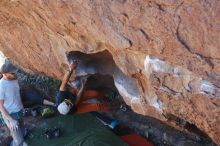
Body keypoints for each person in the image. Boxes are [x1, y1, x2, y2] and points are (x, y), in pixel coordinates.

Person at [0, 62, 27, 146]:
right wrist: (10, 120)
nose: (15, 74)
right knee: (19, 140)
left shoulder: (14, 79)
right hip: (11, 115)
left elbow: (17, 95)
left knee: (22, 133)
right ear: (4, 74)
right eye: (12, 73)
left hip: (19, 111)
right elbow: (0, 106)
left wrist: (22, 107)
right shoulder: (1, 86)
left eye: (15, 72)